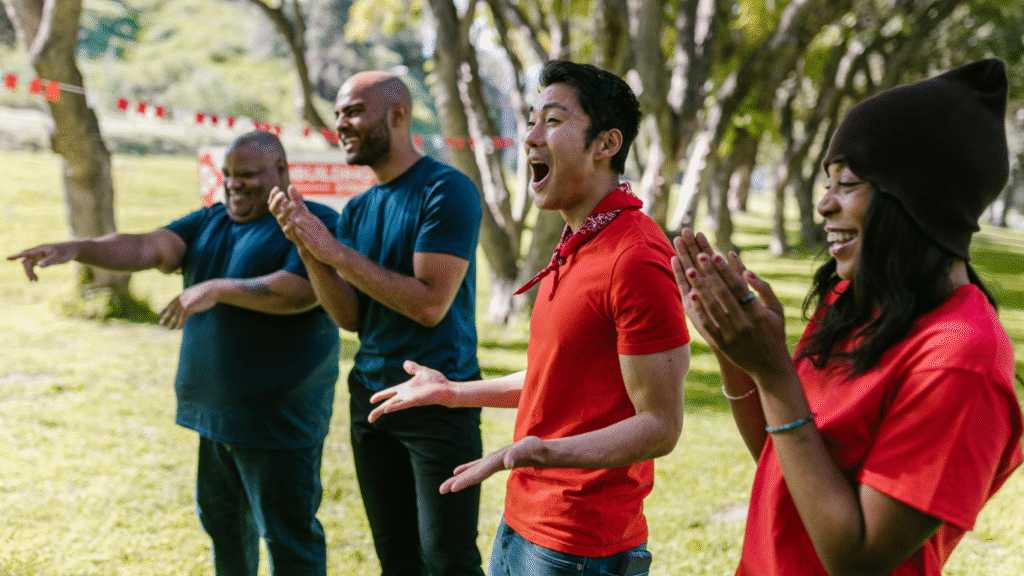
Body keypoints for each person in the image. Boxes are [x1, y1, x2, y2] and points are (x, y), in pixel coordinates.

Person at [672, 58, 1023, 576]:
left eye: (847, 183)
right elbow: (783, 462)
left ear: (913, 198)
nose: (824, 205)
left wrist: (773, 370)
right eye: (826, 182)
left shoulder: (961, 358)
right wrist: (736, 353)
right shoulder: (858, 304)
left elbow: (856, 558)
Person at [366, 60, 691, 576]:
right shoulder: (579, 242)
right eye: (531, 120)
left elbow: (660, 425)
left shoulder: (634, 255)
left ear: (607, 144)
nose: (531, 138)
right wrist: (452, 392)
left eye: (554, 122)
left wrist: (538, 450)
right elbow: (556, 380)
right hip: (525, 521)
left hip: (581, 546)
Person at [8, 131, 341, 576]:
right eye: (228, 175)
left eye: (248, 175)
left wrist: (217, 288)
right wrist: (78, 249)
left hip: (278, 421)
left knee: (288, 540)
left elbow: (299, 293)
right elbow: (148, 247)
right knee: (223, 528)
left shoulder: (312, 222)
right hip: (215, 417)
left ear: (282, 172)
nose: (234, 184)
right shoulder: (210, 221)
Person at [267, 71, 486, 576]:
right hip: (371, 402)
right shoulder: (361, 207)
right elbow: (350, 318)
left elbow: (432, 303)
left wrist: (333, 249)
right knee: (397, 559)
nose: (340, 124)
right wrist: (310, 248)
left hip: (438, 404)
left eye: (352, 111)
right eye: (339, 113)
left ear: (398, 116)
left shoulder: (446, 189)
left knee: (447, 559)